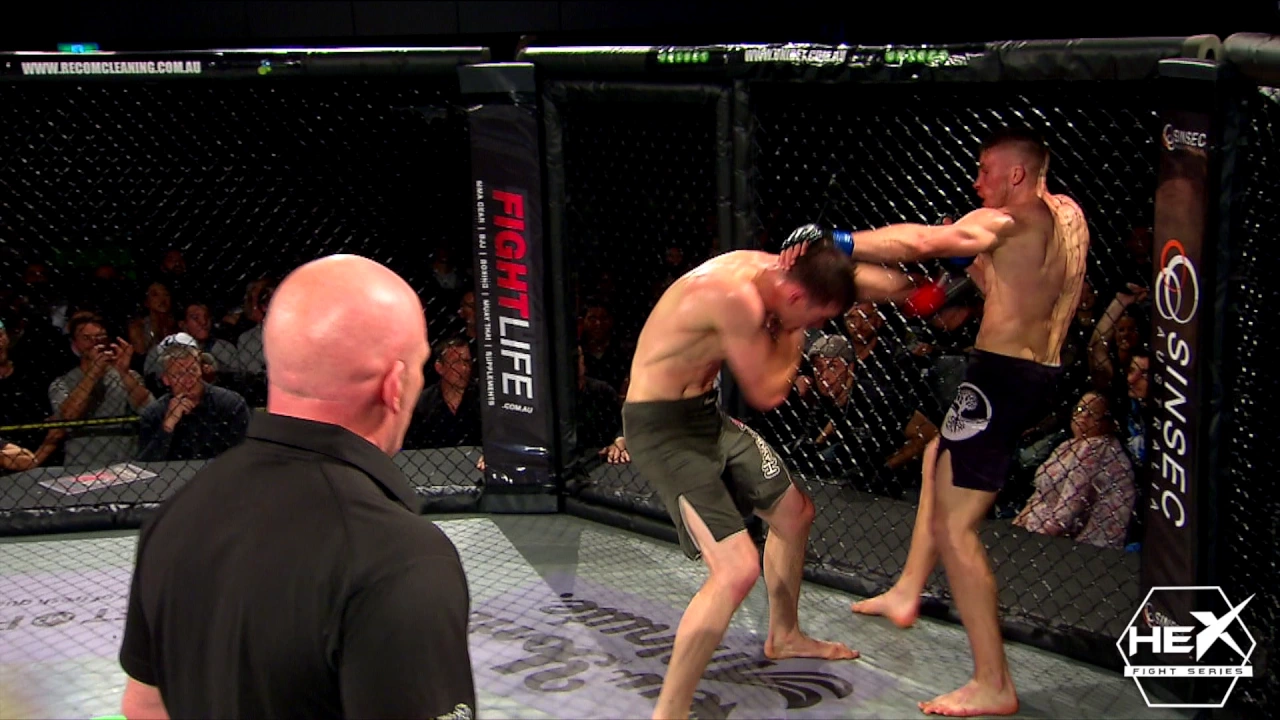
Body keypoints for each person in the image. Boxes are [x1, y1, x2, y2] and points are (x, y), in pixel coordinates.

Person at [785, 127, 1089, 716]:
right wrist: (973, 269)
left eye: (985, 170)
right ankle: (907, 590)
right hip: (1035, 370)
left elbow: (925, 240)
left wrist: (839, 240)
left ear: (1017, 175)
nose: (977, 182)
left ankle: (993, 682)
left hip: (1001, 376)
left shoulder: (1007, 219)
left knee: (956, 527)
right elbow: (1007, 281)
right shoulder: (1068, 217)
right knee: (935, 457)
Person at [118, 255, 475, 720]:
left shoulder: (174, 517)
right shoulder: (400, 559)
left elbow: (144, 707)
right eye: (420, 365)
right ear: (394, 384)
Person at [623, 241, 926, 720]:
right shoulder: (737, 298)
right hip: (663, 430)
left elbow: (891, 285)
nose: (817, 328)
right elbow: (767, 392)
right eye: (815, 319)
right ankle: (670, 712)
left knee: (794, 513)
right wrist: (793, 329)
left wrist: (843, 243)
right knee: (736, 569)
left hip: (704, 416)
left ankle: (784, 636)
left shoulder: (785, 270)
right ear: (797, 298)